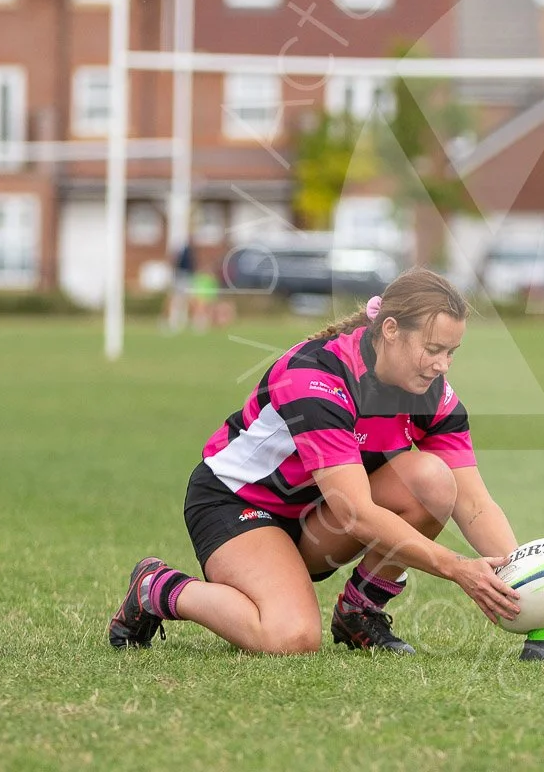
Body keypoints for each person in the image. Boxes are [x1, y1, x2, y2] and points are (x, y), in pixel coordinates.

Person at [109, 267, 521, 654]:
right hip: (238, 506)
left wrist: (524, 578)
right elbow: (355, 512)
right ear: (391, 330)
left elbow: (474, 503)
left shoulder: (432, 394)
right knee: (292, 636)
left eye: (451, 352)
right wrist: (457, 567)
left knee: (433, 481)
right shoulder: (314, 378)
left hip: (317, 518)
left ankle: (360, 612)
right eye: (432, 349)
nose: (442, 365)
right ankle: (155, 588)